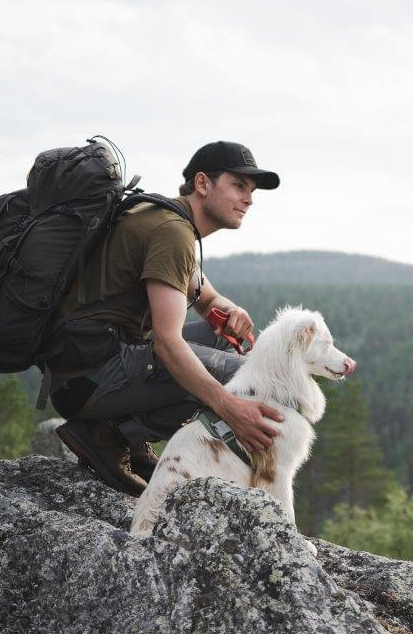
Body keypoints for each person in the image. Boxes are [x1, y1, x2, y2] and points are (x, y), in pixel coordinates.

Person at [49, 141, 284, 496]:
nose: (249, 198)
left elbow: (206, 299)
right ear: (203, 184)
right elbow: (168, 343)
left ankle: (125, 432)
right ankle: (110, 433)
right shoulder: (171, 232)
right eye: (239, 186)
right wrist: (231, 406)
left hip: (84, 366)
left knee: (220, 339)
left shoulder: (166, 218)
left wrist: (230, 312)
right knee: (241, 375)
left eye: (251, 191)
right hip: (90, 378)